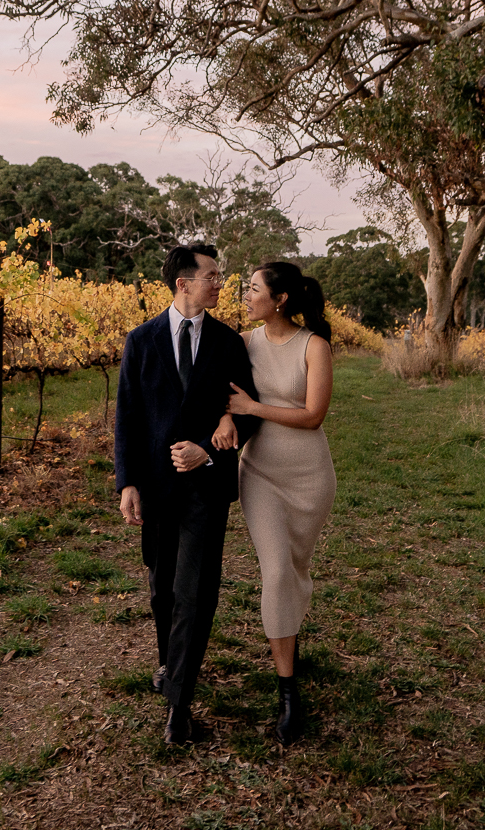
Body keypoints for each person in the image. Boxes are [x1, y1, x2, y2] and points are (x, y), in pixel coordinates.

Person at [115, 243, 261, 745]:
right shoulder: (141, 340)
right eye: (212, 276)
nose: (220, 283)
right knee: (162, 591)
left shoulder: (229, 343)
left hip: (206, 488)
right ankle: (168, 662)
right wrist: (128, 482)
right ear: (183, 282)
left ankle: (179, 705)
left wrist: (207, 449)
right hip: (154, 487)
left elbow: (247, 411)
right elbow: (128, 418)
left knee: (194, 594)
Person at [224, 260, 336, 745]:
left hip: (310, 478)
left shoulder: (314, 346)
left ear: (281, 298)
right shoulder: (243, 343)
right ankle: (287, 690)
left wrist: (251, 408)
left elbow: (312, 416)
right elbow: (216, 390)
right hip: (260, 475)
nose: (245, 297)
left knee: (296, 570)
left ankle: (289, 629)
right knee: (274, 572)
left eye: (252, 289)